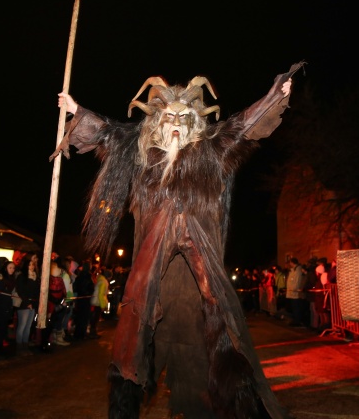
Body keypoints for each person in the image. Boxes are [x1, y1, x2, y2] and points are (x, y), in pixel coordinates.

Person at [54, 62, 302, 418]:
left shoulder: (210, 152)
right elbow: (110, 132)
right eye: (168, 117)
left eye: (184, 118)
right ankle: (128, 385)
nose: (175, 124)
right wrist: (76, 110)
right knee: (139, 304)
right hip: (155, 245)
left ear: (195, 124)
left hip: (198, 240)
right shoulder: (142, 154)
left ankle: (236, 390)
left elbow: (242, 125)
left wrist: (274, 97)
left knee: (219, 305)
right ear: (157, 122)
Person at [14, 256, 40, 353]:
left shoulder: (35, 277)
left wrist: (34, 303)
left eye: (32, 265)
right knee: (22, 325)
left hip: (32, 304)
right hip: (24, 304)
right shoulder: (22, 277)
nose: (32, 266)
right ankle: (19, 346)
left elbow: (36, 292)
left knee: (28, 326)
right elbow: (21, 291)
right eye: (29, 265)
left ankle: (25, 345)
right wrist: (27, 302)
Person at [89, 263, 110, 339]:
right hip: (97, 302)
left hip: (95, 300)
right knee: (95, 318)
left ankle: (92, 332)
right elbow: (101, 294)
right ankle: (93, 333)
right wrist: (103, 305)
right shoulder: (104, 282)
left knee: (93, 318)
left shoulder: (99, 279)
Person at [286, 257, 307, 327]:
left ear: (292, 262)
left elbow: (297, 281)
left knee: (296, 307)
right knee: (294, 307)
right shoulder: (293, 270)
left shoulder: (297, 270)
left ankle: (297, 320)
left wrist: (294, 289)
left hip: (295, 292)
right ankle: (295, 320)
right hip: (292, 291)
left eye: (290, 262)